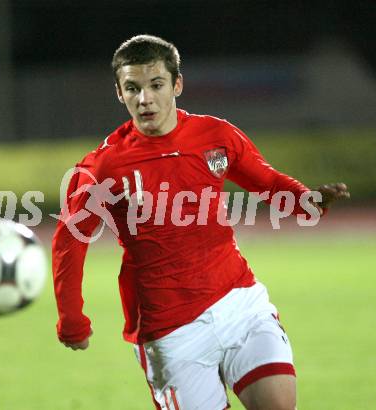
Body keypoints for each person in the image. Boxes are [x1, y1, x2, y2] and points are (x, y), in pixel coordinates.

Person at [52, 35, 349, 410]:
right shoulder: (102, 167)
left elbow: (266, 180)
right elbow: (69, 241)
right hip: (170, 331)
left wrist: (306, 200)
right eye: (133, 88)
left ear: (177, 84)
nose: (145, 99)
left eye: (156, 85)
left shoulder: (215, 136)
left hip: (238, 302)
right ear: (119, 92)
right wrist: (71, 318)